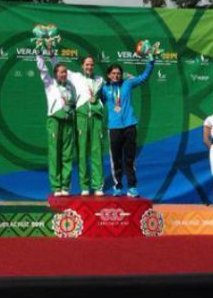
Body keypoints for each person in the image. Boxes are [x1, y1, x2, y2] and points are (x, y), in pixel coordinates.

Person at [97, 56, 154, 198]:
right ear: (109, 75)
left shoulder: (128, 84)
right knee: (115, 159)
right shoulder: (104, 88)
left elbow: (144, 77)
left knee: (129, 158)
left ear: (121, 74)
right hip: (114, 127)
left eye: (118, 73)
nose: (116, 75)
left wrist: (151, 62)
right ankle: (117, 186)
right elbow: (98, 101)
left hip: (129, 125)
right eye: (113, 73)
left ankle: (132, 187)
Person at [52, 54, 107, 196]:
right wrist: (52, 54)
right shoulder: (75, 76)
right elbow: (58, 66)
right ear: (82, 65)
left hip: (96, 118)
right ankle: (85, 186)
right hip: (81, 117)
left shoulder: (99, 80)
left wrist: (127, 77)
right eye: (87, 64)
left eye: (91, 64)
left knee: (97, 152)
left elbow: (112, 87)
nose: (89, 67)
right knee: (82, 152)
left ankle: (98, 186)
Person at [36, 49, 77, 196]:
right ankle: (56, 187)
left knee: (67, 155)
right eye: (60, 72)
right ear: (55, 74)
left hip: (68, 121)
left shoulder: (70, 87)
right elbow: (43, 69)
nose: (63, 74)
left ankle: (66, 186)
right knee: (55, 155)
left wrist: (53, 55)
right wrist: (40, 53)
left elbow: (73, 103)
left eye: (65, 72)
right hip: (54, 120)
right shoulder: (50, 84)